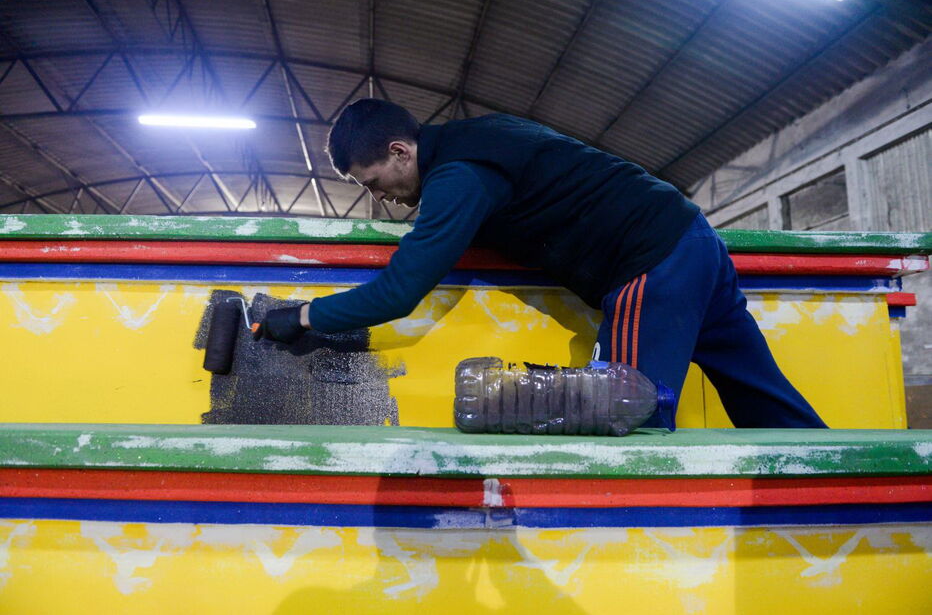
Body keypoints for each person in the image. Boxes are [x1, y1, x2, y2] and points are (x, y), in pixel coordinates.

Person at [252, 98, 826, 428]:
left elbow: (400, 291)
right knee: (762, 395)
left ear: (401, 151)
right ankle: (839, 499)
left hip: (649, 262)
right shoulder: (484, 138)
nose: (380, 199)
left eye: (375, 182)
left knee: (625, 415)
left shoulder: (458, 176)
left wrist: (304, 317)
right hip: (692, 242)